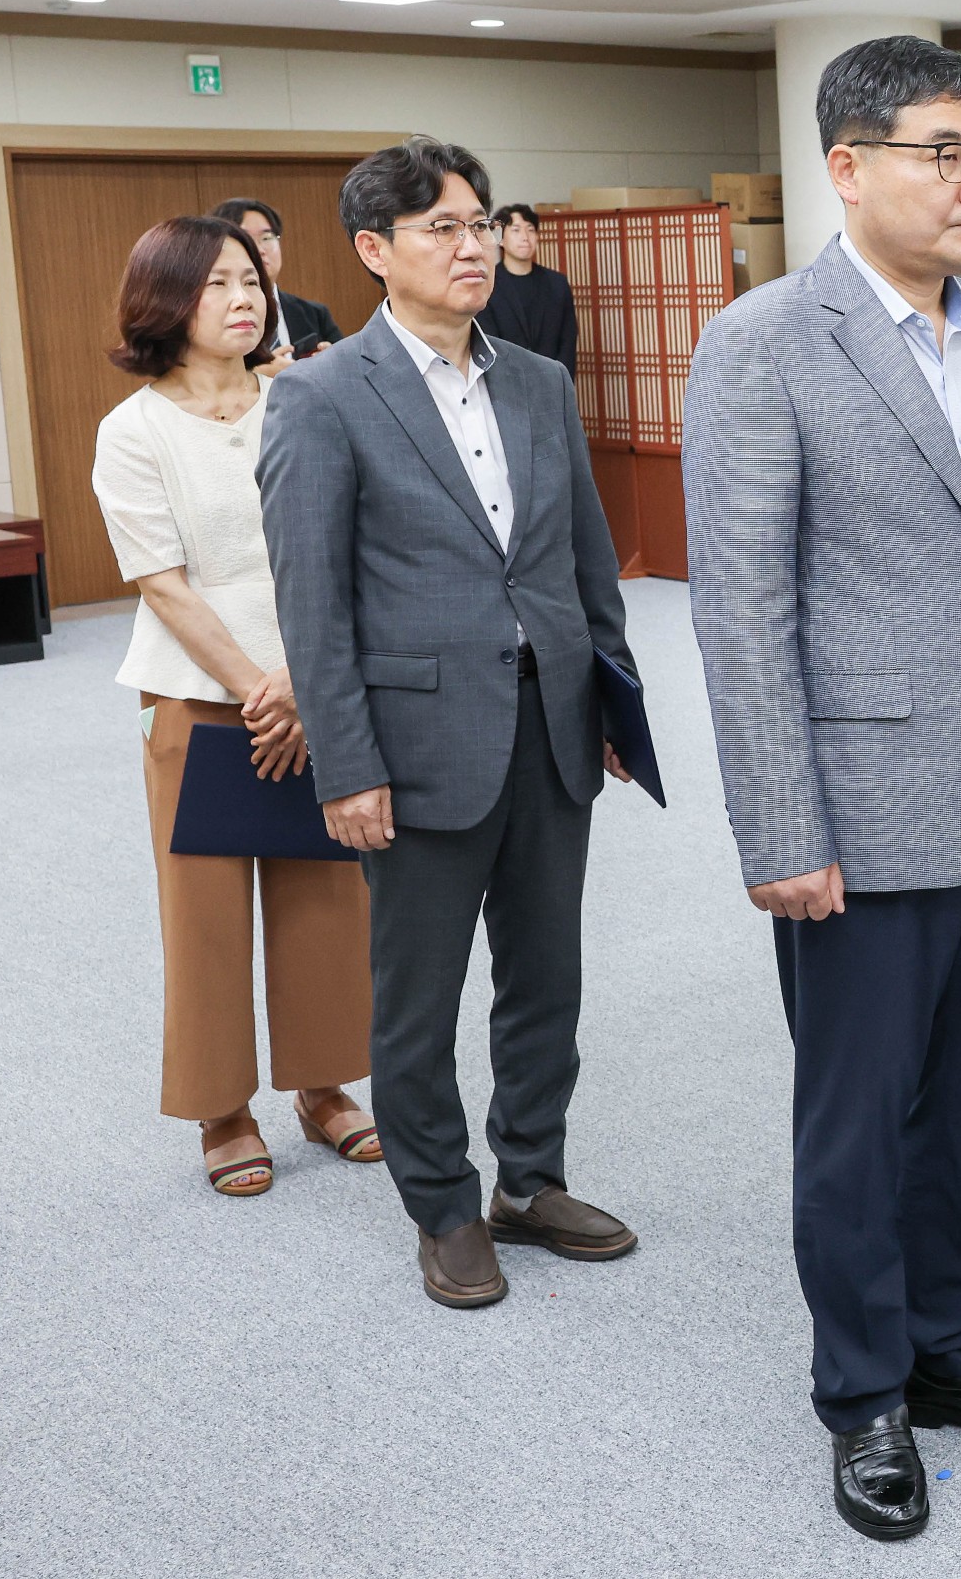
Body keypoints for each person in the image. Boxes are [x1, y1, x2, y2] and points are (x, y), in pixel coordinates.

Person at [682, 36, 961, 1545]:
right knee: (859, 1119)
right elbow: (741, 610)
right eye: (946, 153)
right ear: (846, 167)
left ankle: (951, 1348)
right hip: (856, 809)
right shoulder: (767, 340)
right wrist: (781, 826)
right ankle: (862, 1388)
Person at [257, 138, 643, 1311]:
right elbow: (311, 604)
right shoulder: (321, 397)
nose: (473, 244)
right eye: (442, 228)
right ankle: (442, 1201)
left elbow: (583, 557)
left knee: (547, 976)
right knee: (417, 994)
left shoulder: (537, 380)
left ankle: (531, 1178)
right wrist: (346, 762)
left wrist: (613, 698)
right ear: (375, 251)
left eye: (479, 223)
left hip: (550, 723)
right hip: (415, 744)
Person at [93, 215, 374, 1197]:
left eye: (250, 279)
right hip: (199, 695)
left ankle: (324, 1087)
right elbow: (163, 582)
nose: (244, 297)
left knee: (324, 895)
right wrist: (265, 687)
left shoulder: (301, 398)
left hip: (317, 677)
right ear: (167, 299)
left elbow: (345, 543)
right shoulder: (132, 429)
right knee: (205, 910)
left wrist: (306, 678)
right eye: (217, 283)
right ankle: (222, 1106)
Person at [211, 198, 345, 366]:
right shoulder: (213, 315)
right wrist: (258, 377)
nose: (260, 249)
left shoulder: (314, 313)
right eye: (246, 239)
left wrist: (333, 362)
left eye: (267, 238)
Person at [481, 204, 578, 376]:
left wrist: (562, 383)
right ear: (501, 238)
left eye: (531, 230)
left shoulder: (557, 283)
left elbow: (568, 341)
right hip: (508, 383)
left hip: (553, 380)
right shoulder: (487, 284)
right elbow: (488, 342)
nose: (525, 237)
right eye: (516, 230)